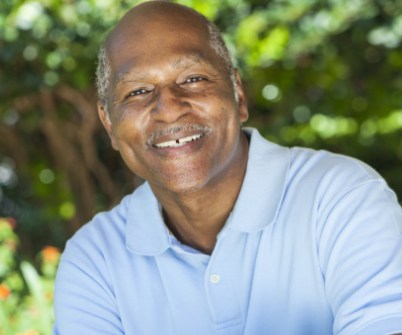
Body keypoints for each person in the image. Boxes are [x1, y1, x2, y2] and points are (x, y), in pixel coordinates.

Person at [53, 1, 402, 334]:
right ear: (110, 124)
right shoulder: (95, 259)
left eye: (192, 79)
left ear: (238, 93)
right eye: (138, 91)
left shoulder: (341, 199)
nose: (170, 108)